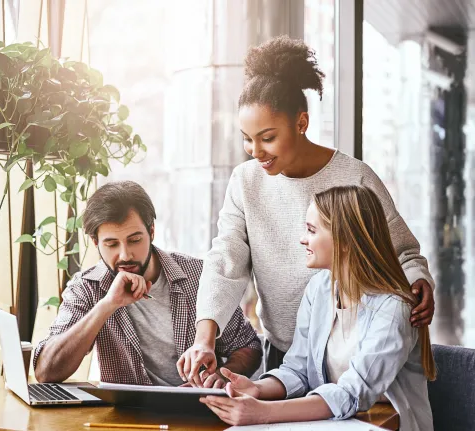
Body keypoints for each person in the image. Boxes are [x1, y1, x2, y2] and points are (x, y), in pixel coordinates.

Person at [178, 35, 435, 386]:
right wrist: (203, 339)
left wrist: (417, 280)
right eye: (247, 138)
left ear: (301, 123)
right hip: (289, 358)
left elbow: (402, 252)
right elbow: (225, 261)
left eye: (267, 137)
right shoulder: (245, 181)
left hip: (354, 353)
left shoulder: (354, 177)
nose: (255, 150)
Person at [200, 185, 435, 431]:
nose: (303, 239)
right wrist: (256, 389)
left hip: (387, 424)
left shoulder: (394, 307)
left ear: (345, 240)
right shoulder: (320, 289)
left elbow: (352, 393)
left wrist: (263, 413)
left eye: (311, 230)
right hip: (334, 422)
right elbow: (298, 370)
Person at [33, 181, 262, 387]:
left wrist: (222, 376)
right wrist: (107, 305)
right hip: (127, 418)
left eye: (134, 240)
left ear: (151, 231)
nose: (125, 255)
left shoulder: (199, 276)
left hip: (196, 412)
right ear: (95, 242)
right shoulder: (86, 288)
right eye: (111, 244)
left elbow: (248, 346)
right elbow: (46, 371)